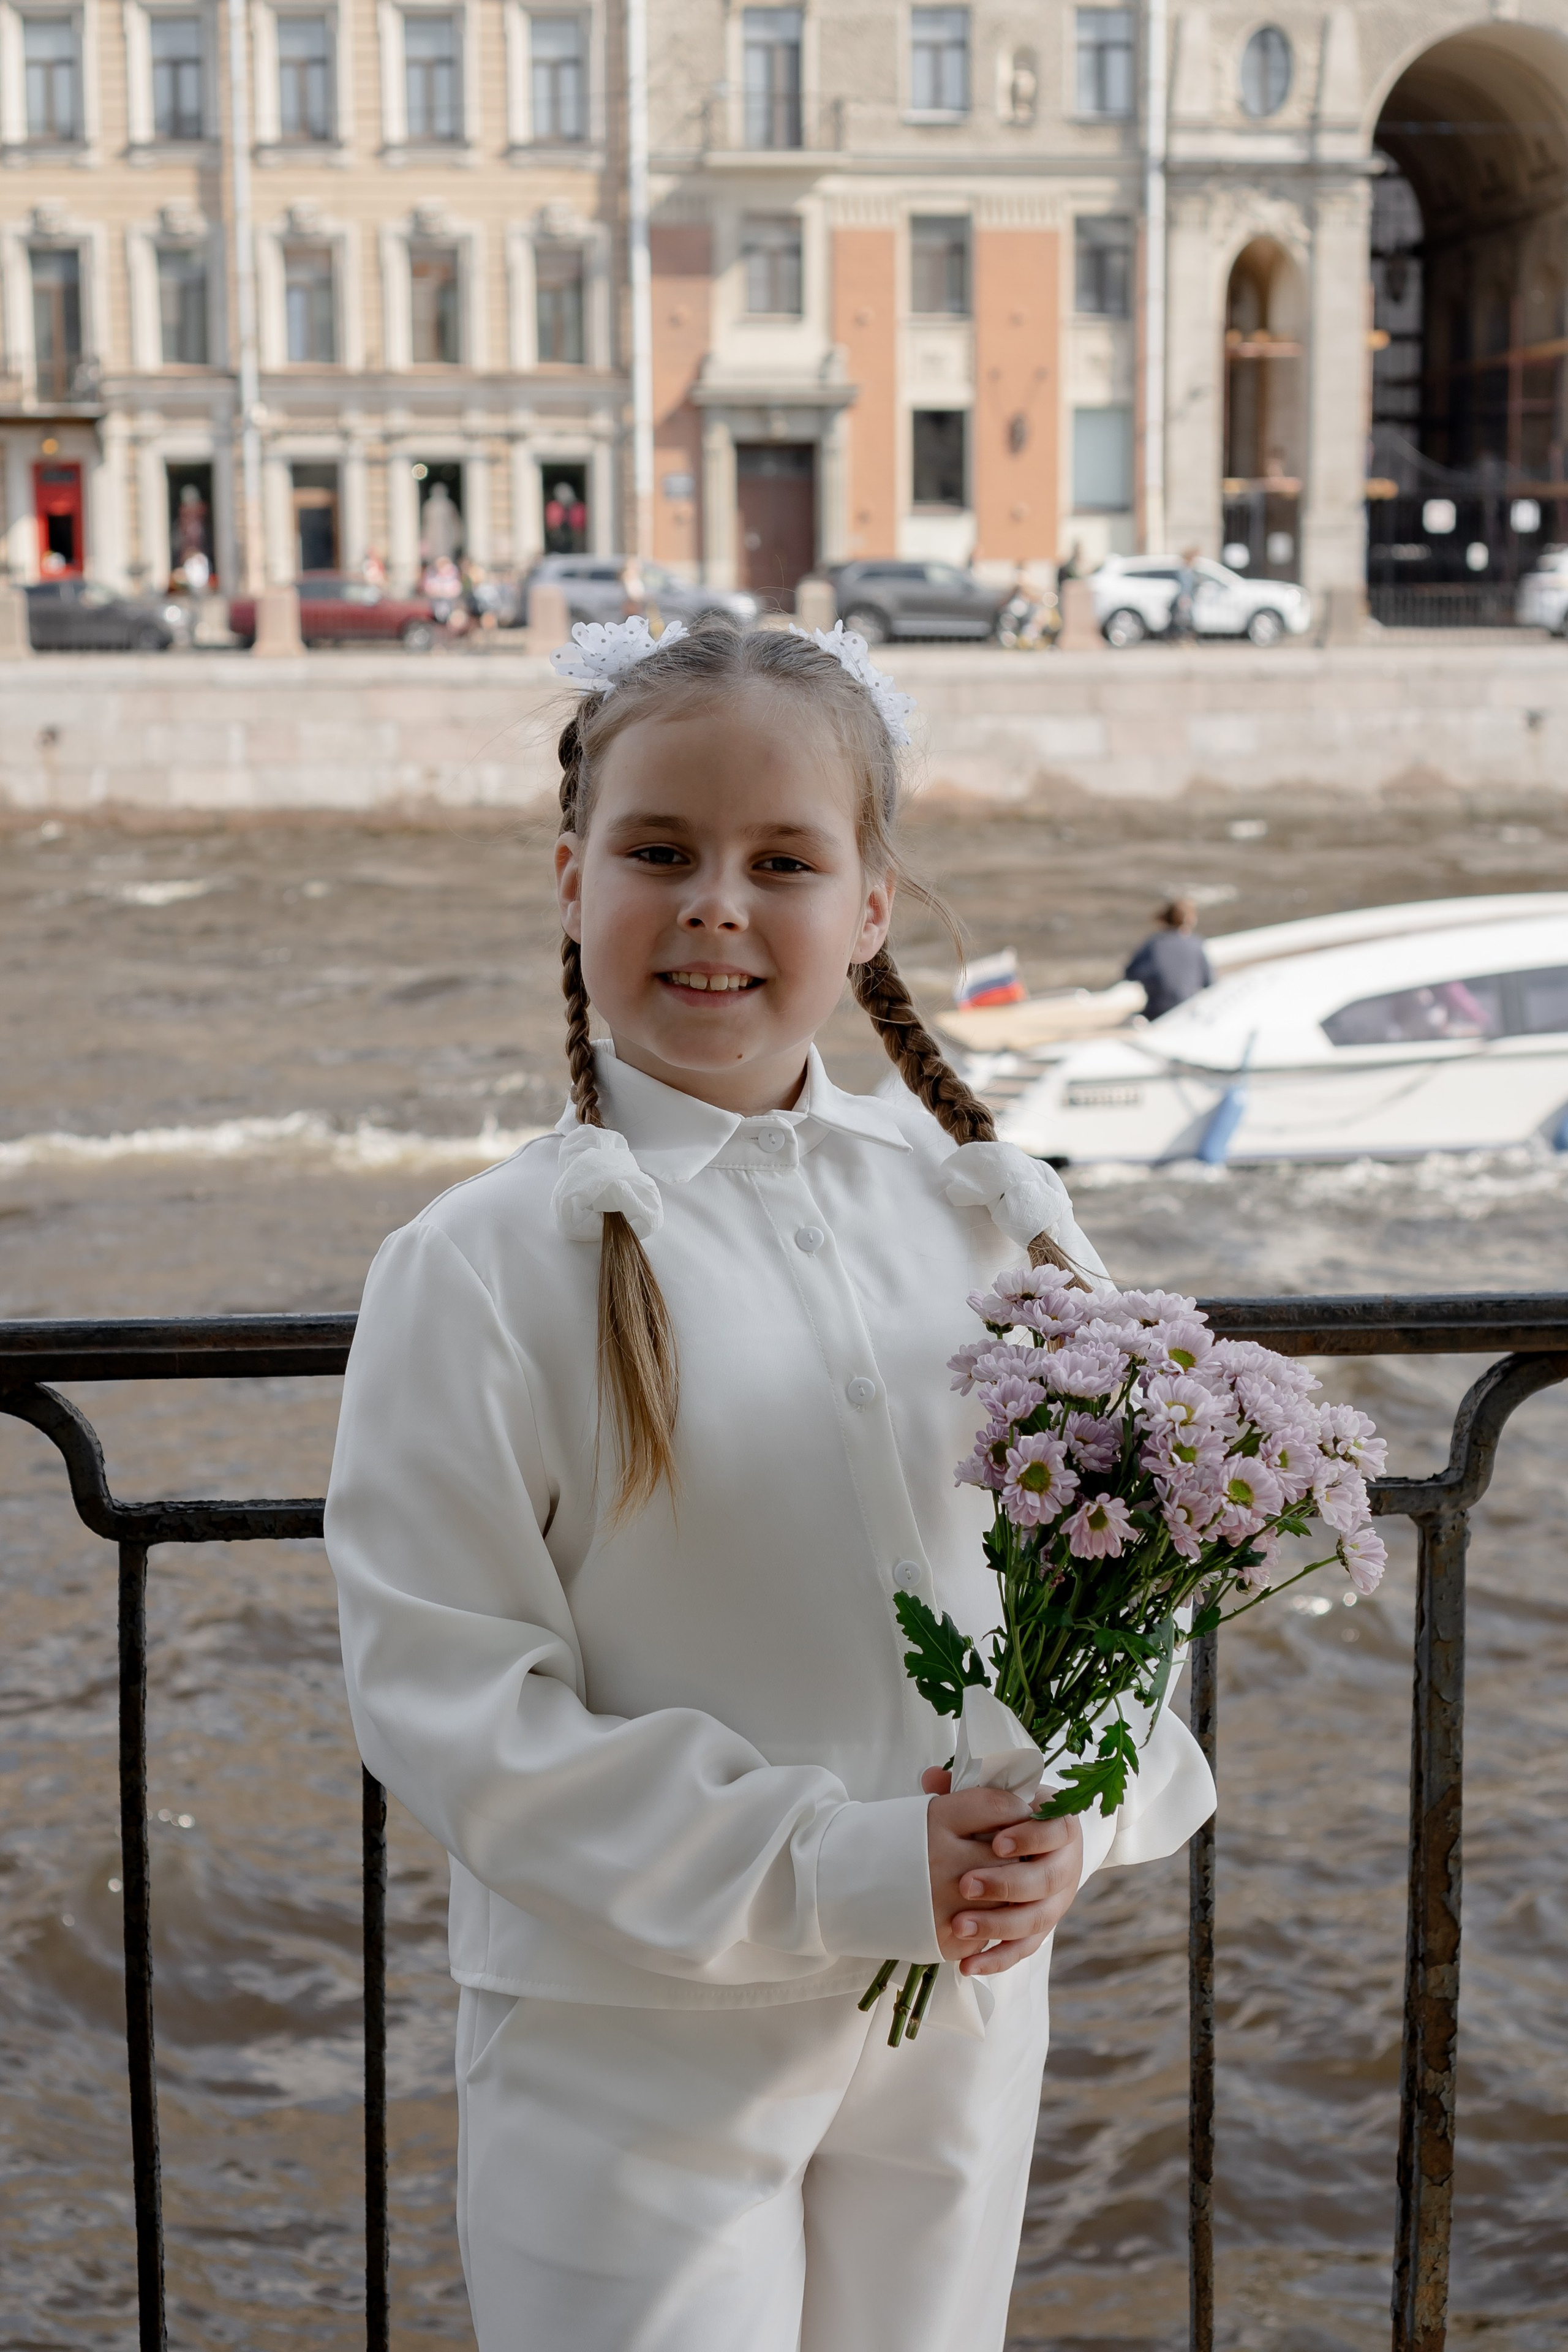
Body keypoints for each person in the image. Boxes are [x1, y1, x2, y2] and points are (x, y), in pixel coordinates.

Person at [325, 621, 1215, 2352]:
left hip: (961, 2013)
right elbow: (448, 1699)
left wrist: (1076, 1822)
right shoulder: (482, 1269)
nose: (716, 903)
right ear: (573, 880)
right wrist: (844, 1865)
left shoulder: (990, 1214)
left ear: (869, 907)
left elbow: (1142, 1564)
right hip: (631, 2043)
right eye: (661, 852)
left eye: (783, 862)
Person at [1125, 896, 1214, 1022]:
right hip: (1187, 1011)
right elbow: (1210, 982)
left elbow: (1130, 974)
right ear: (1191, 920)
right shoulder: (1196, 943)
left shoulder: (1154, 944)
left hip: (1157, 1011)